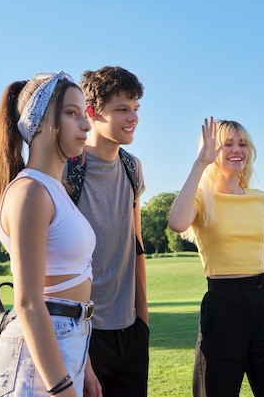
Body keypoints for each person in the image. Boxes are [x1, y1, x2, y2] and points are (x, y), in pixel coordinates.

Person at [0, 71, 95, 396]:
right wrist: (61, 386)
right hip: (33, 361)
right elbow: (30, 301)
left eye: (83, 113)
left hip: (68, 342)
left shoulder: (56, 190)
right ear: (40, 121)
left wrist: (84, 367)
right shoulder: (30, 191)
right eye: (72, 113)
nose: (86, 125)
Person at [168, 117, 264, 397]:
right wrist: (200, 163)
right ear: (213, 149)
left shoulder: (259, 198)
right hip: (223, 306)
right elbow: (178, 223)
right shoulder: (202, 198)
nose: (236, 149)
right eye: (227, 144)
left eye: (242, 143)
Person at [64, 66, 148, 397]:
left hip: (130, 331)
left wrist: (143, 320)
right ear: (92, 112)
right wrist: (81, 354)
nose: (132, 118)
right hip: (82, 331)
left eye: (136, 108)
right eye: (121, 109)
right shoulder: (67, 169)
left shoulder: (132, 167)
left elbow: (137, 246)